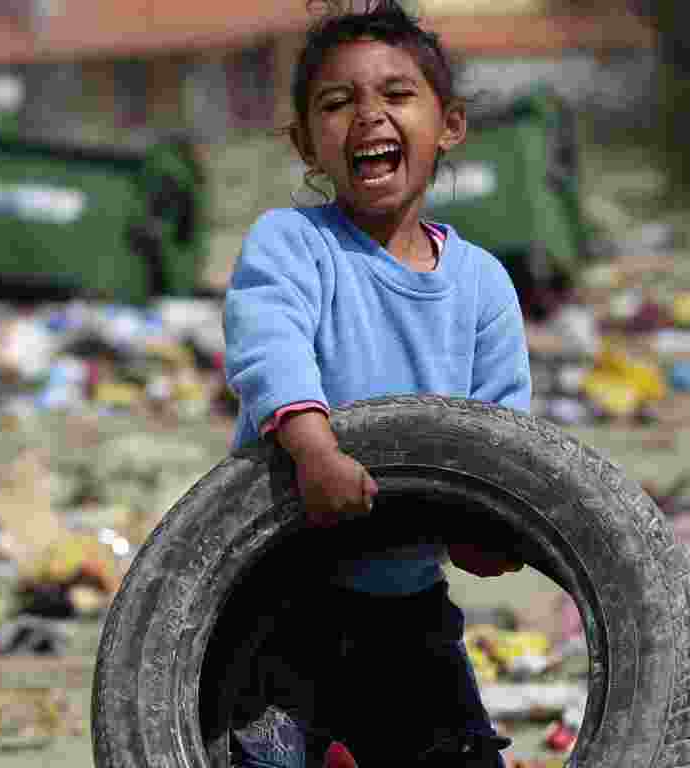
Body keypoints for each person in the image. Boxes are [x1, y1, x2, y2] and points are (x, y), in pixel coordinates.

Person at [222, 2, 532, 766]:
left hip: (408, 604)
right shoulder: (293, 244)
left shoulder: (482, 285)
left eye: (396, 96)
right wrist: (314, 450)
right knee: (264, 754)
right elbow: (270, 349)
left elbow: (501, 432)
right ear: (305, 143)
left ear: (449, 125)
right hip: (280, 586)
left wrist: (487, 529)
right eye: (337, 103)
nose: (368, 116)